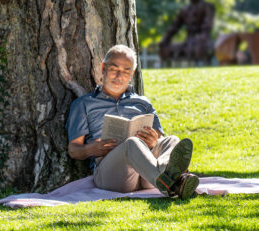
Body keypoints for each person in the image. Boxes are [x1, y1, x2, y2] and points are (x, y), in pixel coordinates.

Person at [66, 45, 199, 199]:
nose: (119, 75)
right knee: (132, 143)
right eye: (114, 69)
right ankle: (175, 182)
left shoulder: (142, 103)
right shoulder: (84, 103)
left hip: (145, 173)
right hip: (112, 174)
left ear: (132, 74)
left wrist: (154, 141)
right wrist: (91, 149)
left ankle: (166, 179)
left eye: (126, 71)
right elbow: (73, 150)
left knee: (172, 141)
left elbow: (159, 140)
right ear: (103, 68)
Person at [159, 0, 215, 65]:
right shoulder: (185, 9)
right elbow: (175, 27)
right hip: (188, 41)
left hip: (203, 40)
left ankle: (203, 66)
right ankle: (168, 67)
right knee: (166, 48)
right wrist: (165, 39)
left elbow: (207, 25)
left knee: (199, 47)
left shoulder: (207, 7)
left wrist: (201, 37)